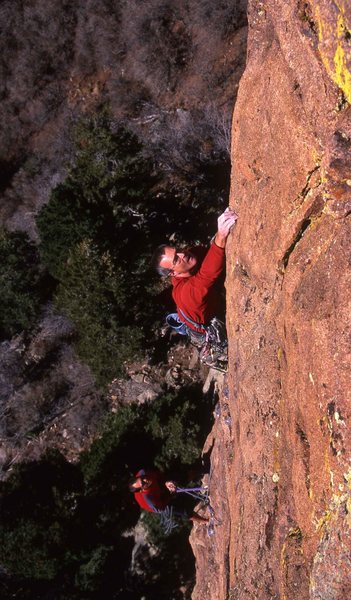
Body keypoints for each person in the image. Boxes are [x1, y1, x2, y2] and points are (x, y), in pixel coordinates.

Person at [152, 207, 237, 345]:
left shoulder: (192, 254)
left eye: (178, 250)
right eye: (176, 260)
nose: (183, 254)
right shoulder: (185, 293)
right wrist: (221, 236)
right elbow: (206, 277)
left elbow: (211, 253)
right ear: (173, 273)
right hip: (210, 326)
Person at [129, 468, 207, 522]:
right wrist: (170, 495)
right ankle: (205, 521)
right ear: (142, 489)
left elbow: (159, 476)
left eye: (142, 478)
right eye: (143, 483)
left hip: (160, 485)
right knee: (183, 511)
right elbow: (161, 508)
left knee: (180, 477)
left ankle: (201, 471)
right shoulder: (149, 500)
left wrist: (166, 482)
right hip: (160, 502)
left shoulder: (144, 472)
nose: (145, 480)